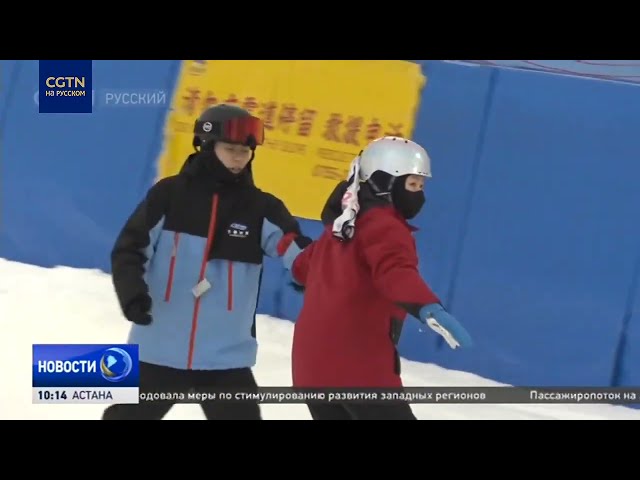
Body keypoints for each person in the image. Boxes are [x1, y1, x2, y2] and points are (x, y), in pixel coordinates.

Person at [103, 104, 311, 420]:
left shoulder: (262, 208)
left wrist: (315, 273)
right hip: (157, 347)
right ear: (207, 145)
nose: (239, 157)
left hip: (225, 358)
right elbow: (130, 250)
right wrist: (132, 294)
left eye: (246, 151)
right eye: (231, 149)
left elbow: (296, 253)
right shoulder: (168, 195)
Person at [289, 136, 473, 421]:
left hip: (311, 366)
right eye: (412, 185)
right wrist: (428, 307)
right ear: (386, 182)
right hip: (359, 367)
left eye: (422, 186)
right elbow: (395, 271)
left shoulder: (343, 224)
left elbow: (302, 268)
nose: (420, 195)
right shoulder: (385, 226)